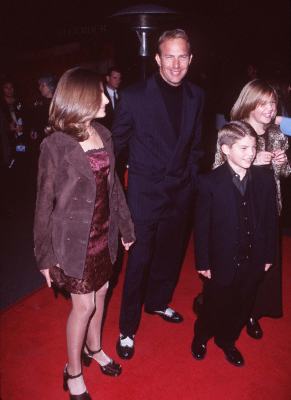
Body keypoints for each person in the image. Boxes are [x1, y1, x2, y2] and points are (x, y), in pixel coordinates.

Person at [34, 67, 135, 399]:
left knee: (102, 293)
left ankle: (94, 348)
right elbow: (43, 203)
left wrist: (125, 226)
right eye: (100, 93)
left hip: (104, 233)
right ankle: (73, 371)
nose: (106, 98)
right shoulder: (56, 145)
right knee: (83, 306)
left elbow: (115, 188)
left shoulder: (104, 134)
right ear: (81, 98)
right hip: (73, 241)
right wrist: (45, 257)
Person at [112, 29, 204, 359]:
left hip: (180, 192)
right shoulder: (135, 96)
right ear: (157, 59)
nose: (176, 64)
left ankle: (158, 303)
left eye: (182, 56)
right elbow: (116, 146)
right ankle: (127, 328)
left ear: (190, 59)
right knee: (139, 260)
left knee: (170, 255)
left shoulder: (196, 95)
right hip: (145, 195)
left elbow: (195, 145)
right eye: (169, 56)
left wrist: (191, 179)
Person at [192, 121, 278, 367]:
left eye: (253, 147)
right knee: (214, 304)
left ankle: (227, 340)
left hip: (254, 258)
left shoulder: (263, 179)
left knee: (242, 303)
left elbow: (270, 221)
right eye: (243, 148)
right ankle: (202, 335)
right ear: (226, 149)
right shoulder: (209, 182)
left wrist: (269, 254)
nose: (251, 153)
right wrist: (203, 261)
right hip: (221, 260)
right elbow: (202, 227)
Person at [217, 79, 290, 339]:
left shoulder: (278, 133)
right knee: (239, 268)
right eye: (263, 103)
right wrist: (250, 163)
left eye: (273, 103)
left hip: (269, 211)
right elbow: (217, 173)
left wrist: (280, 163)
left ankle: (253, 312)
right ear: (249, 103)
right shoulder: (233, 132)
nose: (270, 109)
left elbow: (284, 173)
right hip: (239, 212)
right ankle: (230, 308)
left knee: (264, 266)